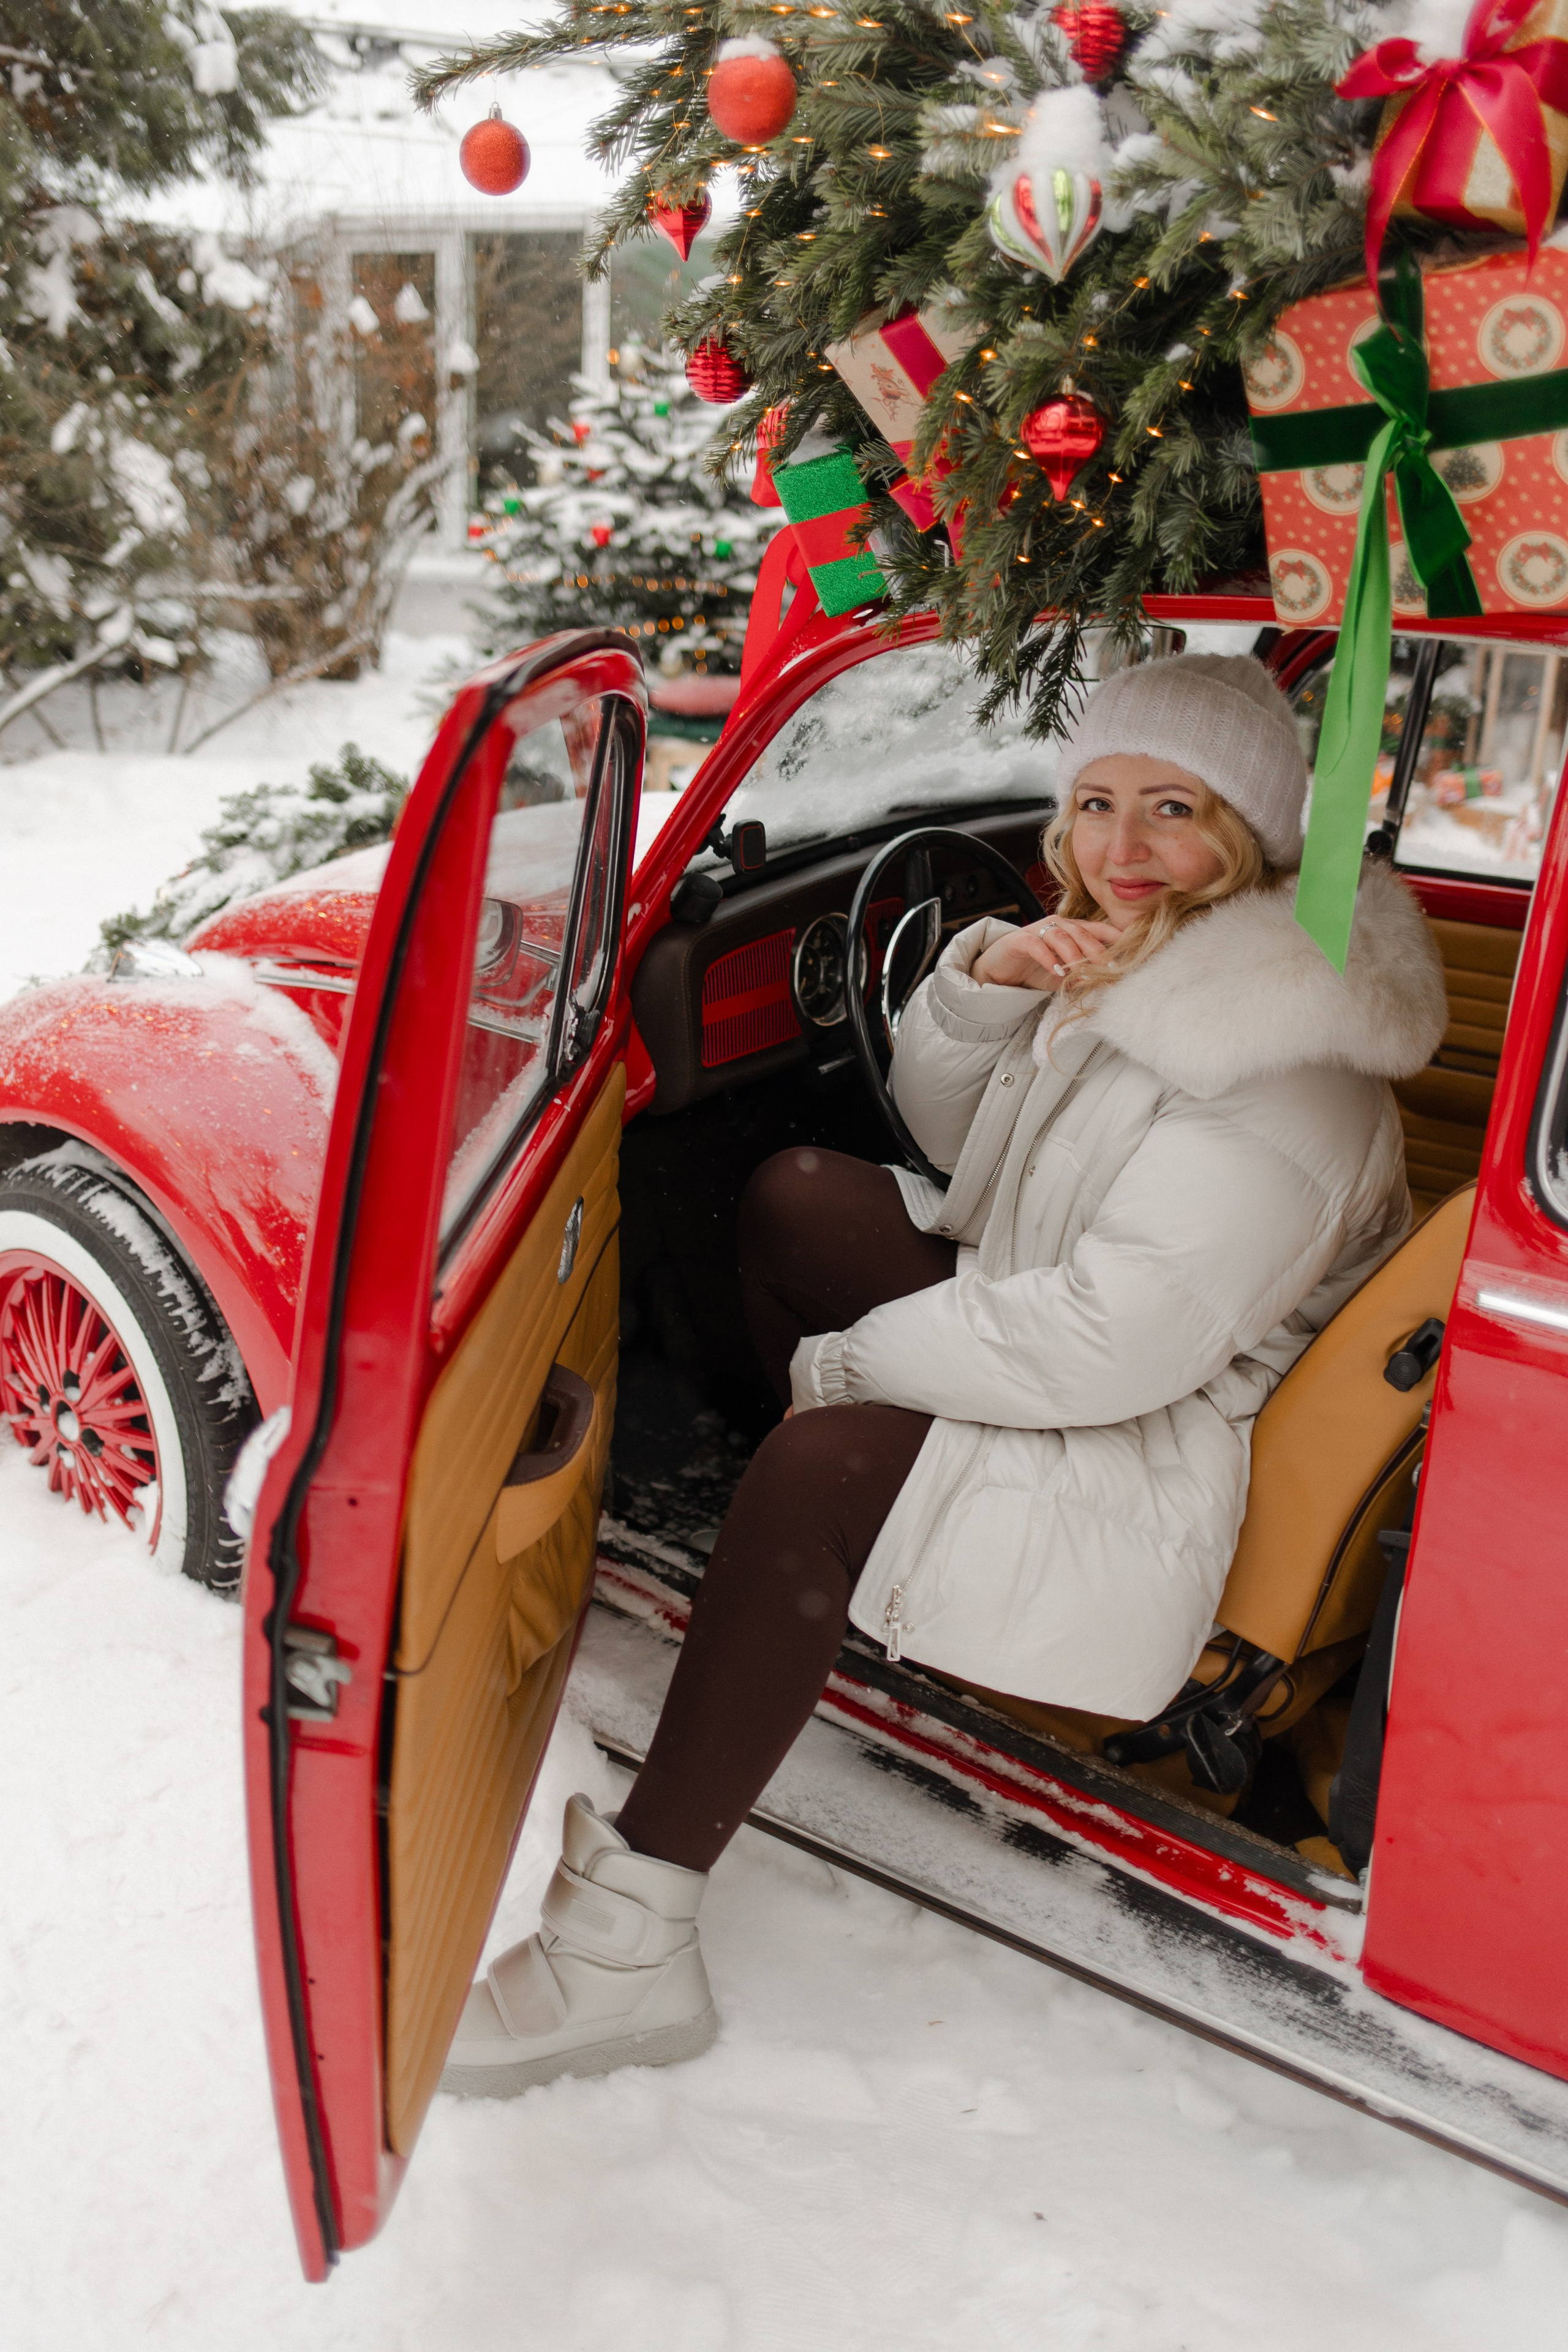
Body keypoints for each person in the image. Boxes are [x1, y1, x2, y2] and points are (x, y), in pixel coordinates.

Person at [441, 652, 1448, 2098]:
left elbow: (1112, 1340)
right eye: (1095, 802)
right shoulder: (1156, 958)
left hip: (1144, 1448)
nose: (1121, 848)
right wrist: (986, 979)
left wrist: (844, 1372)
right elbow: (950, 1143)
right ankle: (802, 1573)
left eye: (1174, 808)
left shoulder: (1278, 1061)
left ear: (1255, 832)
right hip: (1063, 1322)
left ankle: (627, 1946)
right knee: (795, 1190)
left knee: (814, 1464)